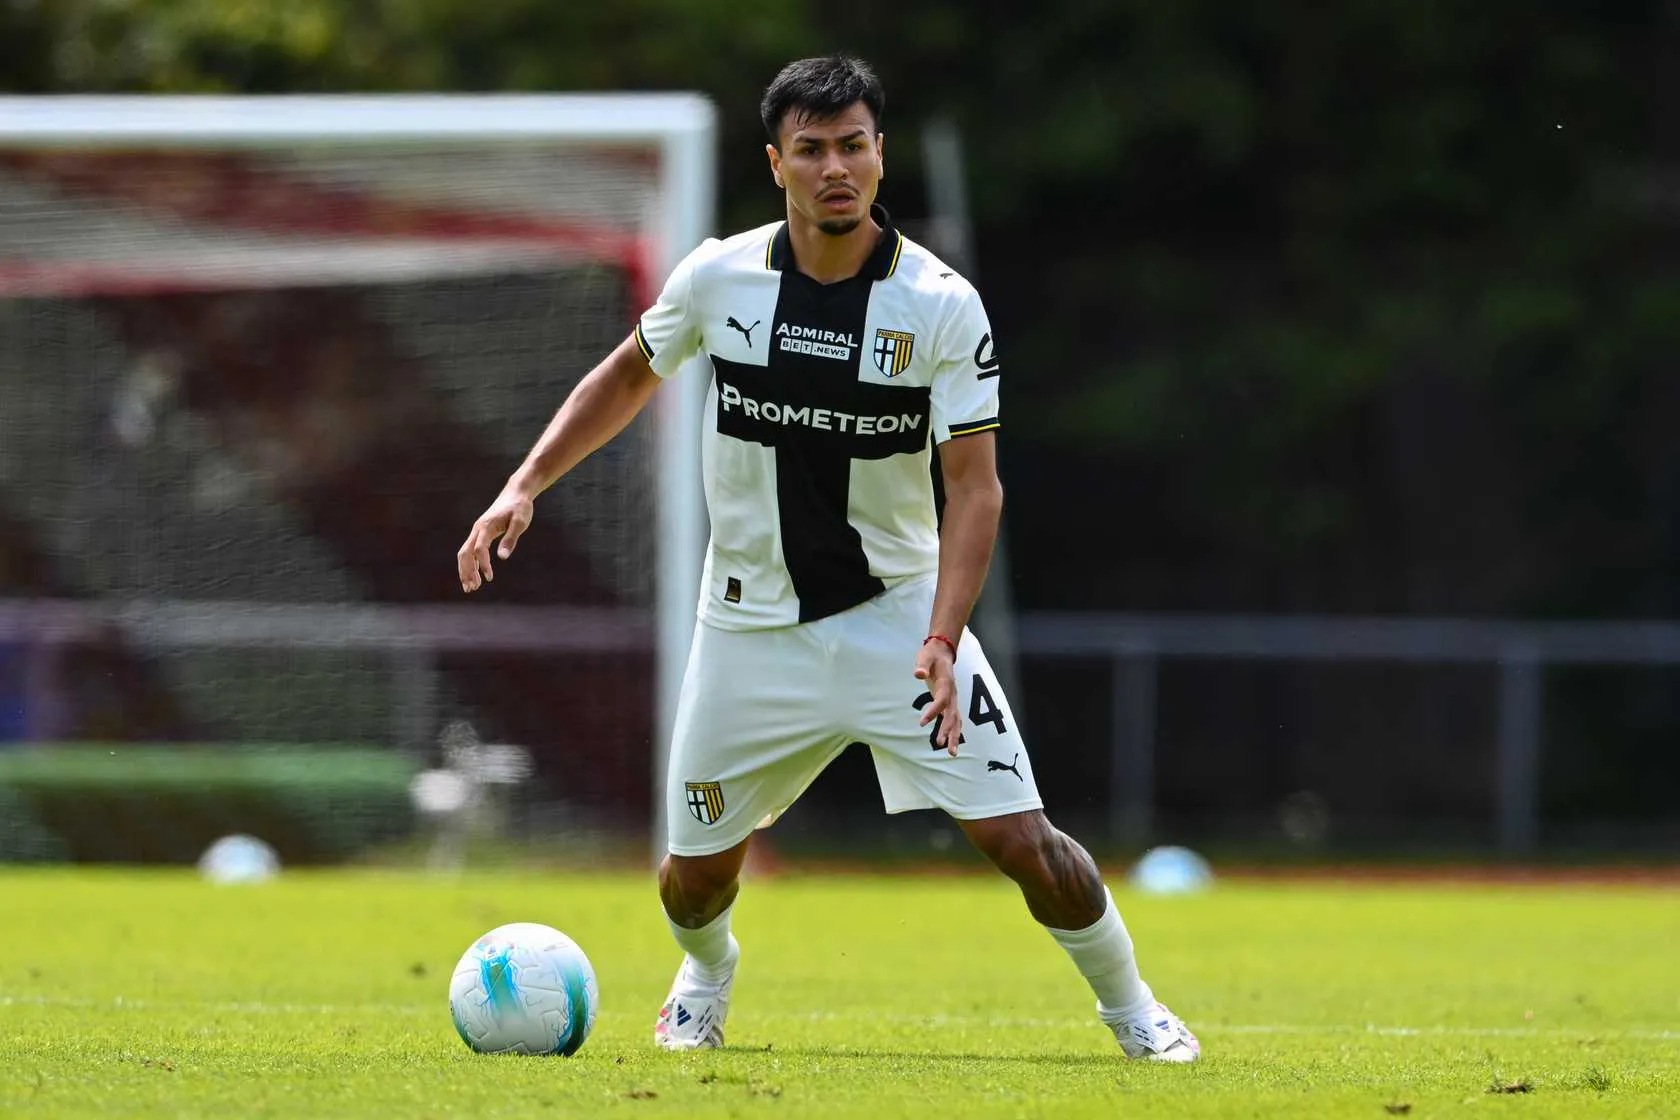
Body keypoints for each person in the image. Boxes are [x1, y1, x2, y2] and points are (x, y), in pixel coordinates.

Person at [456, 54, 1199, 1063]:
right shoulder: (719, 277)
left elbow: (975, 488)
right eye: (811, 150)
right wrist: (525, 483)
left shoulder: (941, 305)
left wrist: (943, 636)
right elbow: (628, 375)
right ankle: (706, 974)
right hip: (747, 626)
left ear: (881, 155)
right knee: (691, 882)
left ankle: (1134, 1009)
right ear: (777, 164)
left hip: (899, 622)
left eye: (853, 145)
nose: (835, 167)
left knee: (1023, 841)